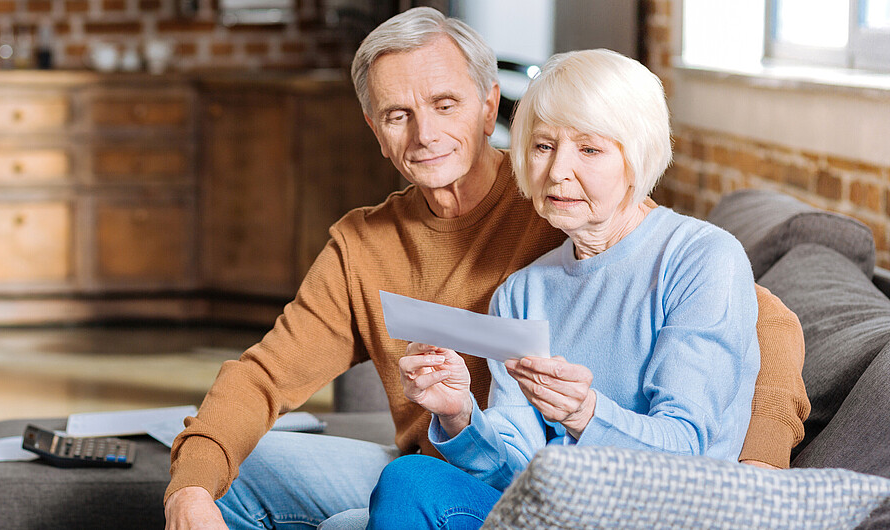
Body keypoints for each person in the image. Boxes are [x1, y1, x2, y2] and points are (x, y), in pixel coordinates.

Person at [165, 8, 809, 529]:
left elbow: (765, 326)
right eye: (398, 115)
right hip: (469, 466)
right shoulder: (384, 250)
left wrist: (755, 476)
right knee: (230, 471)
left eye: (445, 104)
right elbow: (264, 374)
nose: (424, 134)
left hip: (608, 484)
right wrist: (189, 489)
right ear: (374, 127)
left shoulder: (564, 206)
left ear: (487, 103)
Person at [368, 48, 761, 529]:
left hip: (659, 516)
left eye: (590, 149)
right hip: (555, 513)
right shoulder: (522, 292)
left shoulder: (702, 258)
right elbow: (515, 471)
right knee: (410, 479)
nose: (557, 172)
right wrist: (459, 417)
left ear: (636, 158)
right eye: (543, 146)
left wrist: (585, 413)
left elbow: (687, 451)